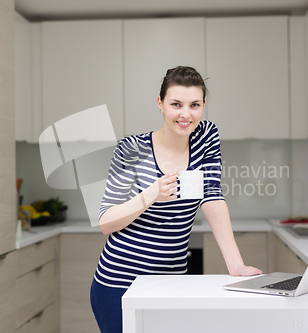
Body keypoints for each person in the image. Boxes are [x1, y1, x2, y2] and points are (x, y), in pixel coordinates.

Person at [90, 66, 262, 333]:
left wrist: (236, 265)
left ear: (204, 105)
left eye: (194, 105)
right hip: (119, 283)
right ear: (160, 104)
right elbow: (105, 222)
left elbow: (212, 195)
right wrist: (150, 195)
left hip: (172, 282)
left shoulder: (205, 137)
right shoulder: (131, 148)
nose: (186, 114)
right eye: (176, 104)